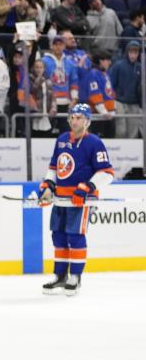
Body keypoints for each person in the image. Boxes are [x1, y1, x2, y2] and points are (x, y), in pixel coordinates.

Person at [38, 104, 114, 295]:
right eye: (72, 117)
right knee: (59, 235)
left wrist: (88, 187)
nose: (74, 120)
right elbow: (55, 167)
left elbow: (107, 173)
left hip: (81, 200)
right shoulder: (62, 139)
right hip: (61, 199)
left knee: (75, 236)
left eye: (79, 117)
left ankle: (75, 277)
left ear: (87, 121)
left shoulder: (95, 143)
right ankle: (60, 276)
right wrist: (48, 185)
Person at [108, 41, 143, 139]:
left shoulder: (140, 67)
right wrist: (112, 99)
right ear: (127, 52)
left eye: (135, 53)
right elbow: (110, 83)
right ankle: (119, 152)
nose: (133, 55)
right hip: (120, 102)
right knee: (121, 129)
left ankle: (131, 154)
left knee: (133, 131)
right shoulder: (118, 65)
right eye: (131, 52)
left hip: (134, 103)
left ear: (138, 54)